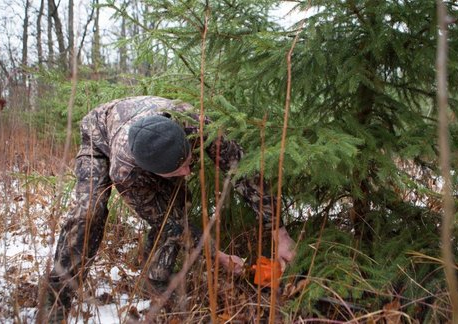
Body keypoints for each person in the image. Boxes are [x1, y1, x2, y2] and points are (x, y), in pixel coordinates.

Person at [43, 96, 296, 321]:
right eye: (177, 170)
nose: (187, 172)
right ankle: (56, 301)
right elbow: (169, 222)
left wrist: (278, 231)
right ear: (150, 172)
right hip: (99, 136)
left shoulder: (197, 125)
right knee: (88, 215)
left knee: (179, 205)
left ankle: (156, 281)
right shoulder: (125, 171)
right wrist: (217, 256)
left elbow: (244, 172)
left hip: (144, 122)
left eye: (187, 162)